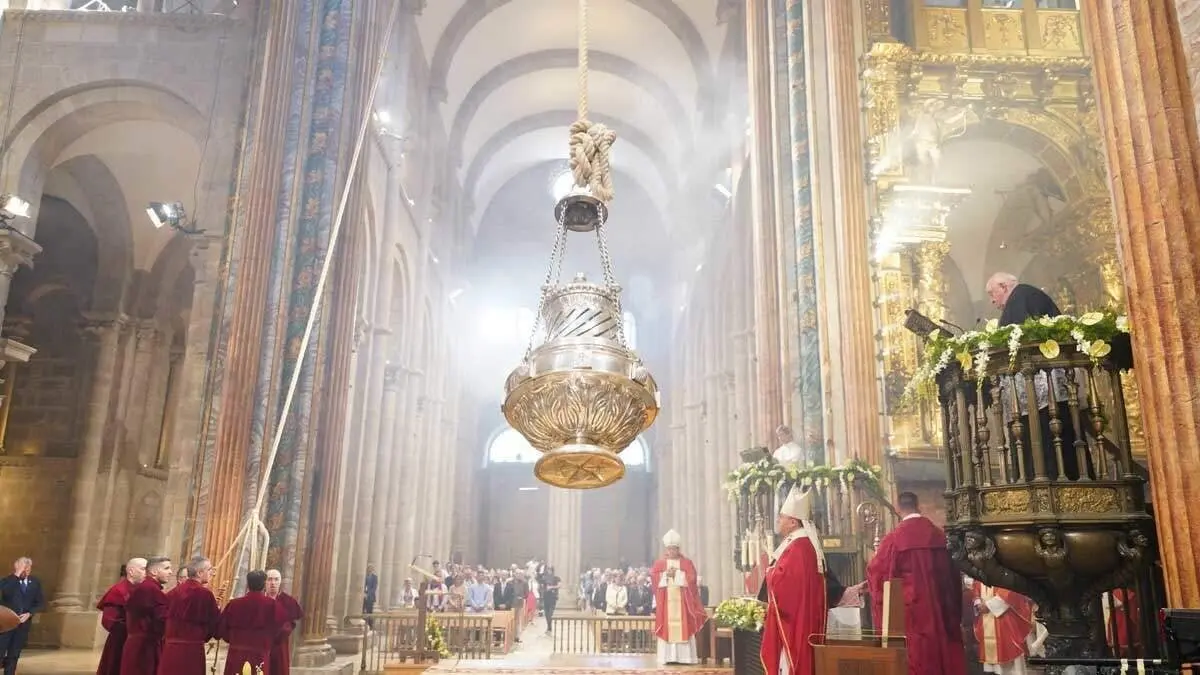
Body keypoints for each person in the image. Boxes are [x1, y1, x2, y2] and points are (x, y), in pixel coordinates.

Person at [986, 271, 1092, 481]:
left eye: (992, 293)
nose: (992, 300)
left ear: (1004, 287)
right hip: (1041, 390)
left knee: (1048, 439)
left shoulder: (1022, 297)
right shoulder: (1024, 297)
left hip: (1043, 390)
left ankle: (1050, 480)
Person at [867, 492, 965, 675]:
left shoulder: (893, 541)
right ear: (918, 505)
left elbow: (878, 577)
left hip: (912, 616)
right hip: (941, 611)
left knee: (917, 659)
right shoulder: (940, 537)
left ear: (897, 509)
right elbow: (954, 577)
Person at [761, 488, 827, 675]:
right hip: (801, 615)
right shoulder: (800, 543)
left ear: (793, 522)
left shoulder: (798, 547)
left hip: (796, 619)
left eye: (782, 517)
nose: (778, 521)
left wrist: (771, 572)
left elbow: (786, 584)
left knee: (793, 661)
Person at [650, 529, 708, 665]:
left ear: (678, 548)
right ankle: (667, 657)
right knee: (667, 628)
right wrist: (665, 575)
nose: (671, 551)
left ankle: (685, 658)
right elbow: (654, 579)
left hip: (683, 605)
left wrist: (677, 575)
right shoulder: (660, 564)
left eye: (674, 549)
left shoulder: (687, 563)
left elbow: (692, 580)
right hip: (666, 605)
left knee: (684, 628)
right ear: (666, 549)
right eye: (669, 549)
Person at [218, 570, 289, 675]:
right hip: (260, 655)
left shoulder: (234, 604)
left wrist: (234, 640)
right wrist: (267, 642)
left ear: (247, 584)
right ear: (264, 584)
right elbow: (282, 631)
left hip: (236, 655)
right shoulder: (273, 606)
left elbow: (221, 629)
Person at [158, 557, 220, 675]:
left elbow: (161, 618)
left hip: (170, 650)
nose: (211, 572)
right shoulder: (205, 594)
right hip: (192, 651)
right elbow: (214, 624)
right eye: (209, 569)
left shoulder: (173, 592)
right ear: (200, 573)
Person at [120, 556, 173, 675]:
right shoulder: (151, 590)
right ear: (154, 571)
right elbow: (162, 620)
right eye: (166, 568)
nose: (170, 572)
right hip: (144, 649)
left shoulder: (145, 587)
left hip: (138, 645)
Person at [971, 579, 1035, 675]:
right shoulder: (980, 570)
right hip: (985, 619)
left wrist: (989, 605)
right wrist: (978, 603)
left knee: (1012, 665)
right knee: (992, 667)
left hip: (1004, 617)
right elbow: (975, 588)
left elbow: (1009, 589)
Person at [97, 558, 147, 675]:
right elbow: (109, 621)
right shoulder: (118, 590)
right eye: (143, 569)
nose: (146, 573)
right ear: (131, 571)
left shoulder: (143, 590)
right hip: (120, 642)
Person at [0, 557, 44, 675]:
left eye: (28, 568)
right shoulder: (6, 581)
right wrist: (17, 575)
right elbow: (6, 593)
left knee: (14, 655)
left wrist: (29, 613)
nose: (25, 571)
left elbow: (39, 603)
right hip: (6, 625)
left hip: (22, 625)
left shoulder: (34, 583)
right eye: (23, 568)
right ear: (16, 567)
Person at [265, 569, 304, 675]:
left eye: (276, 579)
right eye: (269, 579)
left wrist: (282, 632)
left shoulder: (287, 601)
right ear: (265, 582)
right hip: (262, 644)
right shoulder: (261, 600)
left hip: (280, 645)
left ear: (280, 582)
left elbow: (291, 623)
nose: (273, 583)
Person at [541, 566, 560, 635]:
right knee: (546, 613)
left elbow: (559, 586)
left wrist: (551, 587)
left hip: (553, 597)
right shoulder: (544, 578)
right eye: (548, 570)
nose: (549, 571)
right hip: (546, 597)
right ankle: (549, 626)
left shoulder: (556, 578)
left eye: (550, 570)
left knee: (550, 613)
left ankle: (549, 626)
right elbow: (542, 586)